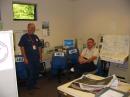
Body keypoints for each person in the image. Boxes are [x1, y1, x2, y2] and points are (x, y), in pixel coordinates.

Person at [18, 23, 43, 90]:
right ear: (28, 28)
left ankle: (34, 84)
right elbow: (22, 48)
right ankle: (29, 87)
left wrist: (40, 56)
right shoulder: (24, 37)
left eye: (34, 28)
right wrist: (25, 58)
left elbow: (40, 46)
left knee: (36, 72)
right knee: (30, 73)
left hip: (36, 58)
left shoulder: (36, 36)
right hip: (29, 59)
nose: (33, 29)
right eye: (31, 28)